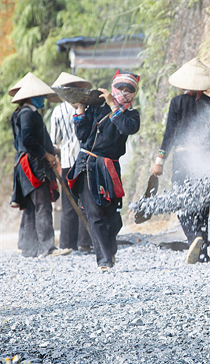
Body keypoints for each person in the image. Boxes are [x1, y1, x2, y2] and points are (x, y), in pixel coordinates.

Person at [151, 58, 210, 264]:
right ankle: (201, 248)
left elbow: (169, 135)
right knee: (202, 202)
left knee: (182, 202)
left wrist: (159, 161)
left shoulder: (177, 103)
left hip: (183, 158)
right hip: (205, 158)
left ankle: (194, 238)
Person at [68, 70, 140, 272]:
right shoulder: (96, 109)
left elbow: (127, 129)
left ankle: (109, 250)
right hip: (87, 165)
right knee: (95, 213)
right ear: (113, 87)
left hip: (110, 167)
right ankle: (104, 260)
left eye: (129, 89)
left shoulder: (132, 115)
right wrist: (81, 109)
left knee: (113, 217)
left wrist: (112, 105)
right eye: (120, 88)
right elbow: (82, 135)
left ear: (133, 93)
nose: (124, 92)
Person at [9, 73, 72, 258]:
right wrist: (46, 155)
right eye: (41, 97)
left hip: (27, 163)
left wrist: (53, 151)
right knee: (43, 205)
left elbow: (32, 140)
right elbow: (28, 140)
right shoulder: (28, 114)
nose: (43, 100)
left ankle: (29, 247)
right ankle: (47, 247)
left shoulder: (21, 113)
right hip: (34, 166)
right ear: (32, 96)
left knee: (31, 206)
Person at [50, 72, 93, 253]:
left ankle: (68, 243)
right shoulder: (87, 108)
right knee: (86, 200)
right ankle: (85, 242)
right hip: (86, 160)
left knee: (69, 204)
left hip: (67, 160)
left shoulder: (57, 111)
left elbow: (55, 140)